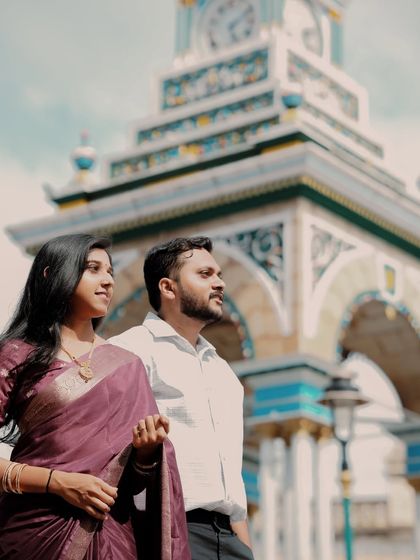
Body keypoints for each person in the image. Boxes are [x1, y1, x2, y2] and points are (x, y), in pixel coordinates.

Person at [0, 233, 190, 560]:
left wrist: (145, 456)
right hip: (32, 535)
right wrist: (56, 482)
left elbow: (137, 489)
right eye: (93, 268)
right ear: (51, 274)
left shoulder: (127, 366)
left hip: (112, 538)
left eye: (110, 272)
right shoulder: (17, 355)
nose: (107, 281)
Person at [110, 236, 254, 560]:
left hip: (230, 540)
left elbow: (232, 477)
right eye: (205, 274)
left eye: (218, 274)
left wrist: (244, 548)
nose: (220, 283)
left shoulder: (224, 373)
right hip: (169, 533)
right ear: (168, 287)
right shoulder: (131, 350)